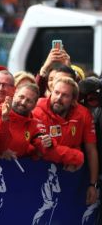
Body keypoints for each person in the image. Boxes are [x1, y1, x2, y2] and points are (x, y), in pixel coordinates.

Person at [33, 77, 99, 205]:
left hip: (70, 180)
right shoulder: (38, 109)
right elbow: (44, 150)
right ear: (50, 92)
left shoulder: (84, 114)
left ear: (73, 101)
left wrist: (93, 184)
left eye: (65, 95)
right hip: (37, 177)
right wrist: (77, 156)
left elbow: (91, 150)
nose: (58, 98)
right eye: (56, 92)